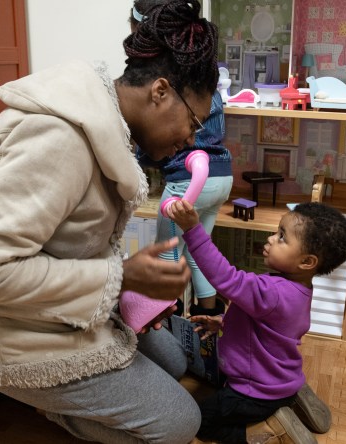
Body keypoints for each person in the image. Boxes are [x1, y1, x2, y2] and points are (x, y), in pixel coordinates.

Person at [0, 1, 219, 443]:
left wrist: (129, 287)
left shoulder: (106, 124)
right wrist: (122, 278)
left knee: (172, 362)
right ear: (159, 92)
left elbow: (69, 237)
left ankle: (13, 391)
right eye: (194, 123)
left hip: (33, 300)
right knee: (178, 424)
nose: (191, 140)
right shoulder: (59, 140)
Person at [165, 200, 346, 443]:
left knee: (201, 423)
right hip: (281, 379)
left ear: (307, 262)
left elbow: (225, 278)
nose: (271, 238)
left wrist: (193, 230)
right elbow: (271, 328)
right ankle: (292, 396)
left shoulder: (271, 291)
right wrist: (224, 321)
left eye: (282, 237)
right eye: (277, 231)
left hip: (254, 392)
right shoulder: (298, 290)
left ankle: (270, 430)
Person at [131, 0, 233, 316]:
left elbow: (157, 150)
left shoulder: (168, 87)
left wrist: (139, 155)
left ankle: (169, 318)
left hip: (190, 181)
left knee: (169, 253)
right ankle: (209, 319)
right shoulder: (206, 81)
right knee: (197, 252)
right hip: (222, 178)